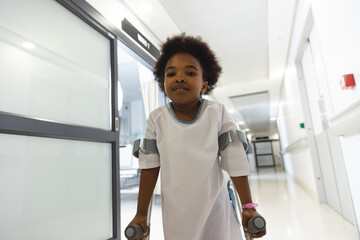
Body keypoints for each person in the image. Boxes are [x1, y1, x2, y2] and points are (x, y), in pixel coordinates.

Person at [128, 33, 266, 240]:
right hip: (176, 213)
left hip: (214, 207)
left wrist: (248, 207)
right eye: (171, 74)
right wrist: (140, 214)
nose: (179, 78)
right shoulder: (157, 119)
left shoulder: (216, 113)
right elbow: (149, 169)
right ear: (162, 83)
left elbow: (235, 161)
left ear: (204, 85)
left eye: (190, 73)